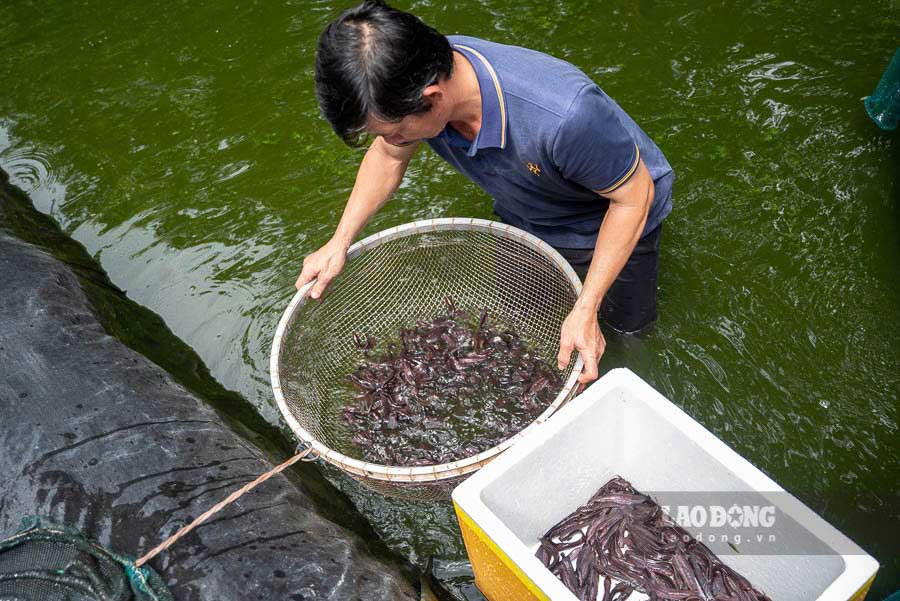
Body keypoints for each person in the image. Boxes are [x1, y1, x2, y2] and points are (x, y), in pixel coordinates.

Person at [295, 0, 674, 384]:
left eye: (394, 130)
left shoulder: (564, 118)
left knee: (625, 329)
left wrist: (587, 307)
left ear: (432, 98)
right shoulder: (413, 73)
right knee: (519, 316)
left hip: (611, 209)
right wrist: (339, 241)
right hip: (525, 209)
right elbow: (389, 156)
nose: (392, 140)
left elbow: (632, 196)